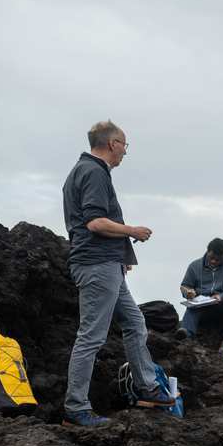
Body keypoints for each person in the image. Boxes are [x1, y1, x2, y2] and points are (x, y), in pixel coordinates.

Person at [61, 120, 174, 427]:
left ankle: (147, 387)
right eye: (124, 144)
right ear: (111, 144)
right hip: (97, 266)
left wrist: (121, 255)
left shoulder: (85, 171)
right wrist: (132, 231)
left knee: (135, 323)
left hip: (107, 264)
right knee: (91, 337)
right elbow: (95, 223)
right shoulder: (94, 172)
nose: (125, 151)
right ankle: (76, 408)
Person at [178, 238, 223, 354]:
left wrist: (222, 296)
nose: (214, 261)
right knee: (192, 306)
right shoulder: (194, 266)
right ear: (207, 251)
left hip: (221, 305)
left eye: (218, 259)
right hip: (201, 307)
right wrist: (188, 293)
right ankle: (186, 335)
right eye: (211, 258)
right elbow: (185, 286)